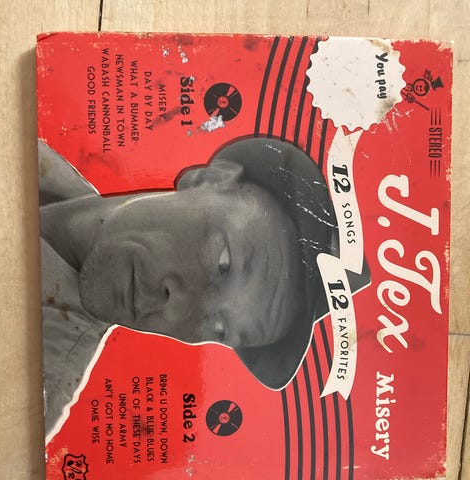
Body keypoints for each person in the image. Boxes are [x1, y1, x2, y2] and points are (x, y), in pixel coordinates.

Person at [39, 137, 367, 432]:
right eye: (221, 263)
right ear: (207, 180)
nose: (175, 307)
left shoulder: (36, 385)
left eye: (219, 328)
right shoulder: (32, 153)